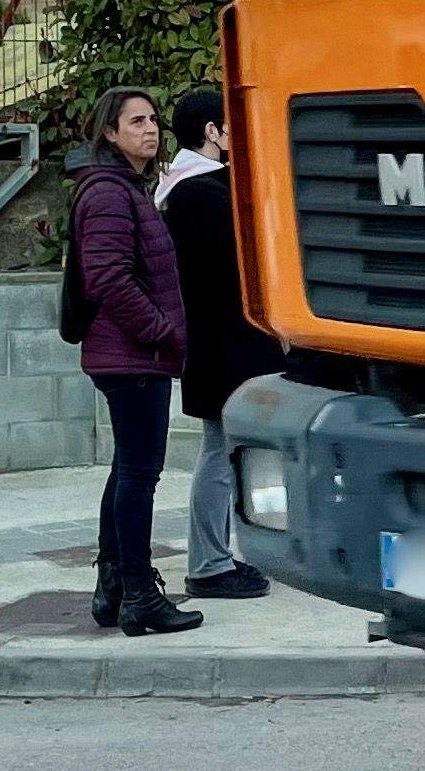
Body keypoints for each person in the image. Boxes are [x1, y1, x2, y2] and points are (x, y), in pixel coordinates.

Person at [70, 86, 201, 636]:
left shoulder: (126, 187)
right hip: (132, 357)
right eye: (136, 121)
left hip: (133, 355)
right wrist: (162, 333)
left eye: (153, 120)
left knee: (129, 468)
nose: (149, 130)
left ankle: (114, 589)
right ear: (110, 132)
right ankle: (140, 593)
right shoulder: (107, 193)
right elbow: (108, 281)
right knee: (140, 475)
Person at [157, 87, 285, 598]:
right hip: (225, 346)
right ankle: (209, 563)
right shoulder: (200, 192)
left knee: (229, 452)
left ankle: (223, 556)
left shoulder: (191, 188)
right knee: (220, 453)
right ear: (212, 131)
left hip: (224, 345)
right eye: (230, 124)